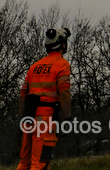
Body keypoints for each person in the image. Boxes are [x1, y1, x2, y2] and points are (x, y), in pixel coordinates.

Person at [18, 27, 71, 170]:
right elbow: (64, 92)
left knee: (25, 162)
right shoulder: (62, 64)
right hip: (45, 120)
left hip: (28, 117)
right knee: (40, 163)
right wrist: (67, 118)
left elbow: (23, 93)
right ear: (63, 44)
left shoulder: (35, 66)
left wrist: (23, 117)